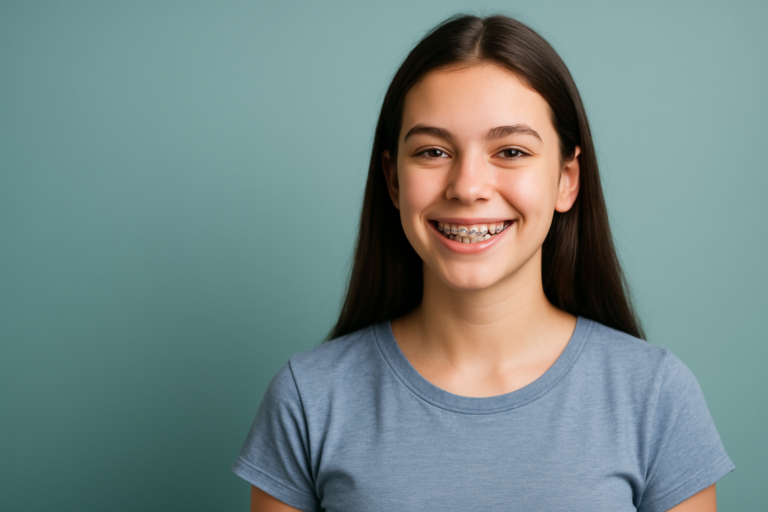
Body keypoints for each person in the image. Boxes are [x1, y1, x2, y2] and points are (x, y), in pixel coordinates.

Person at [232, 14, 734, 511]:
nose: (468, 186)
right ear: (393, 181)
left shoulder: (656, 395)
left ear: (566, 179)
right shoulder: (308, 399)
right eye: (432, 151)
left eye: (511, 150)